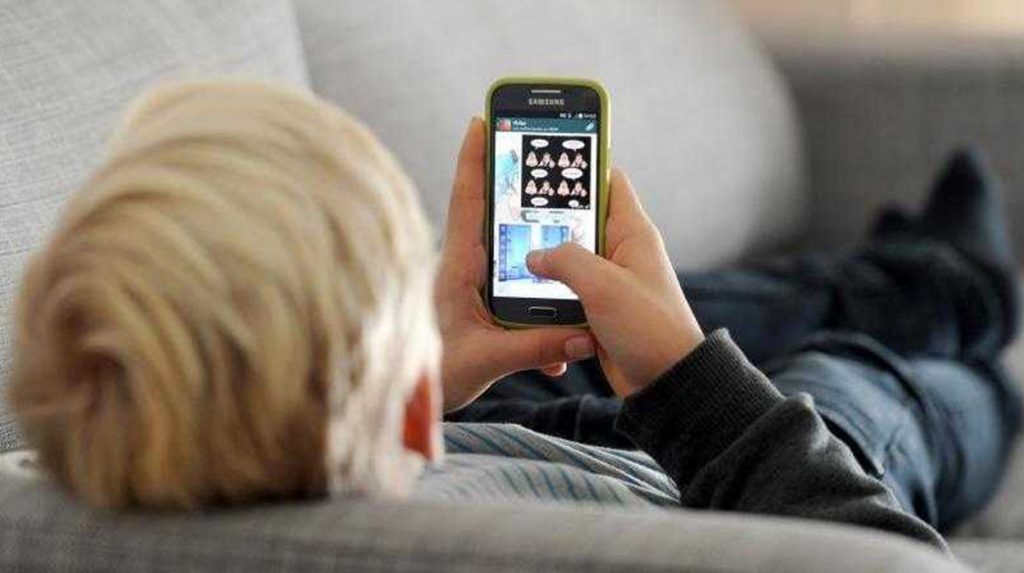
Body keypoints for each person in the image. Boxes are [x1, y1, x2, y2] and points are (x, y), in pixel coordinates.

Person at [10, 80, 1009, 557]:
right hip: (738, 467)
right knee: (856, 377)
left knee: (599, 313)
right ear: (405, 411)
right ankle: (954, 293)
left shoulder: (104, 463)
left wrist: (429, 374)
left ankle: (925, 278)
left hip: (507, 430)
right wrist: (691, 388)